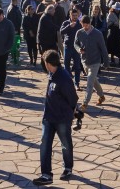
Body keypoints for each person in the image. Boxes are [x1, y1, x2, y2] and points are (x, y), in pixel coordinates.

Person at [32, 50, 78, 186]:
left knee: (65, 144)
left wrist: (70, 115)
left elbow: (73, 99)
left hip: (62, 118)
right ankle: (46, 174)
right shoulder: (52, 74)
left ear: (48, 63)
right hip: (49, 118)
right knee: (45, 144)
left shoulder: (64, 78)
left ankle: (68, 168)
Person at [74, 15, 109, 109]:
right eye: (82, 25)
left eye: (86, 25)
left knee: (89, 82)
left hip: (95, 61)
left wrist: (106, 62)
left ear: (89, 23)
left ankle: (85, 104)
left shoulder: (97, 34)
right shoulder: (79, 32)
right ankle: (101, 96)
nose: (84, 27)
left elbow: (103, 48)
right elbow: (75, 44)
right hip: (84, 61)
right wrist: (79, 49)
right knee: (93, 80)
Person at [60, 9, 83, 89]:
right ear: (70, 15)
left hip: (76, 48)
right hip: (67, 46)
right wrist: (69, 26)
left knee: (77, 66)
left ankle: (77, 83)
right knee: (66, 65)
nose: (74, 17)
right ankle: (68, 81)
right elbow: (61, 32)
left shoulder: (79, 24)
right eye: (73, 15)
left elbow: (83, 34)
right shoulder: (66, 23)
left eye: (76, 15)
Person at [37, 5, 59, 71]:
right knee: (45, 54)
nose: (54, 12)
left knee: (53, 52)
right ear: (49, 10)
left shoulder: (49, 16)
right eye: (53, 10)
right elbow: (52, 26)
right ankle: (46, 68)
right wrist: (60, 28)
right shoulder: (45, 18)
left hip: (50, 40)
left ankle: (52, 66)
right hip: (45, 40)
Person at [106, 2, 120, 67]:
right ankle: (112, 59)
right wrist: (114, 23)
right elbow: (108, 23)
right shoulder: (110, 14)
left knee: (119, 46)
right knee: (112, 46)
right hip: (112, 32)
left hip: (119, 32)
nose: (117, 10)